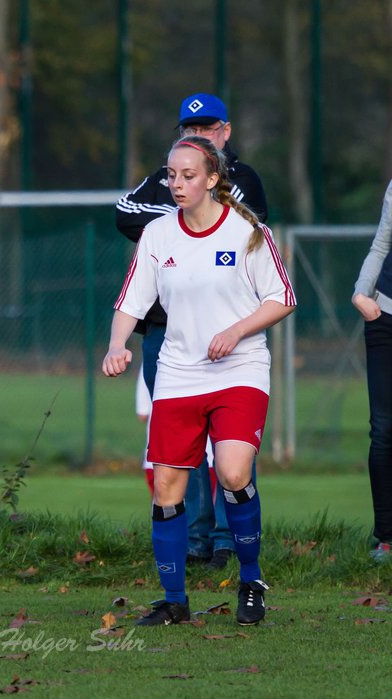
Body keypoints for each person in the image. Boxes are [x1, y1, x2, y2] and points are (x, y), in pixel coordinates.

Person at [103, 135, 294, 627]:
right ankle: (173, 601)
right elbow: (131, 301)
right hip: (179, 373)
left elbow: (282, 298)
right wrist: (117, 344)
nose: (177, 184)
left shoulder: (248, 232)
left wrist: (235, 331)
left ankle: (250, 582)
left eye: (188, 175)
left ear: (212, 179)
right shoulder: (158, 235)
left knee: (233, 473)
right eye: (171, 175)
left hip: (239, 369)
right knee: (166, 485)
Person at [116, 93, 269, 571]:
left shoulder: (242, 183)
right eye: (189, 128)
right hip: (167, 336)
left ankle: (231, 541)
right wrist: (176, 220)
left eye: (207, 128)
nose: (197, 136)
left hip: (231, 343)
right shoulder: (168, 183)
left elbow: (253, 236)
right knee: (179, 454)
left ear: (225, 131)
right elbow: (124, 214)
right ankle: (195, 540)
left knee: (231, 454)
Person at [351, 178, 392, 561]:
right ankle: (385, 537)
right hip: (384, 317)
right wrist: (360, 293)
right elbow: (382, 243)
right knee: (383, 431)